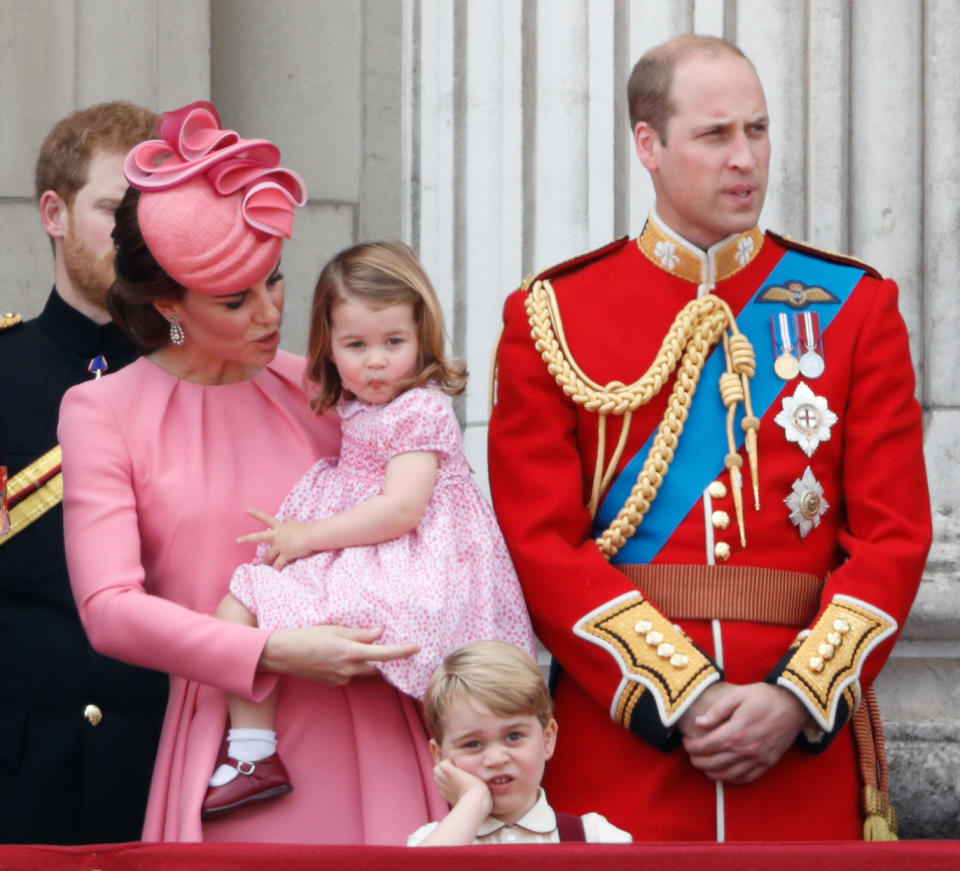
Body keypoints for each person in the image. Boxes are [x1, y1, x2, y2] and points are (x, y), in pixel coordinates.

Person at [487, 34, 931, 842]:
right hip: (626, 742)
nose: (745, 159)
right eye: (716, 134)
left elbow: (894, 537)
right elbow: (541, 540)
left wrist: (796, 696)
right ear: (647, 145)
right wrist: (680, 692)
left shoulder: (853, 306)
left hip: (797, 748)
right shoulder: (552, 315)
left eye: (756, 131)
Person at [57, 101, 448, 843]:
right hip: (238, 753)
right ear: (168, 305)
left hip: (377, 719)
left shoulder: (331, 388)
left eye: (276, 279)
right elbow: (109, 607)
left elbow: (433, 513)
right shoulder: (102, 410)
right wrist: (268, 650)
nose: (271, 312)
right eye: (236, 300)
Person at [202, 240, 536, 818]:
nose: (375, 362)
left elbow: (401, 510)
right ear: (328, 348)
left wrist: (304, 536)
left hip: (419, 562)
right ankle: (253, 752)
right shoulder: (359, 410)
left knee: (254, 597)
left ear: (422, 337)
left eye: (393, 343)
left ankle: (481, 796)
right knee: (242, 603)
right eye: (356, 346)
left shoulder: (419, 409)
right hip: (379, 553)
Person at [0, 101, 168, 845]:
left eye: (151, 211)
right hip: (19, 773)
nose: (135, 230)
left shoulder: (205, 379)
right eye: (113, 207)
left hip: (165, 765)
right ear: (54, 213)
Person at [407, 641, 632, 845]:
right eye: (472, 744)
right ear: (438, 756)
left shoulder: (597, 837)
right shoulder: (429, 841)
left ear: (547, 739)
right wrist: (474, 800)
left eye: (513, 737)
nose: (496, 759)